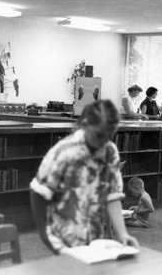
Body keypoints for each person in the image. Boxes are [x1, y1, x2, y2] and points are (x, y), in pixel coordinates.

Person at [30, 99, 139, 251]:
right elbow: (38, 192)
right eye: (99, 135)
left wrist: (122, 234)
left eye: (109, 136)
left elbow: (112, 195)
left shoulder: (109, 151)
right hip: (62, 236)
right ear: (86, 124)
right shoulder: (64, 152)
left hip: (93, 235)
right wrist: (45, 235)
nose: (103, 141)